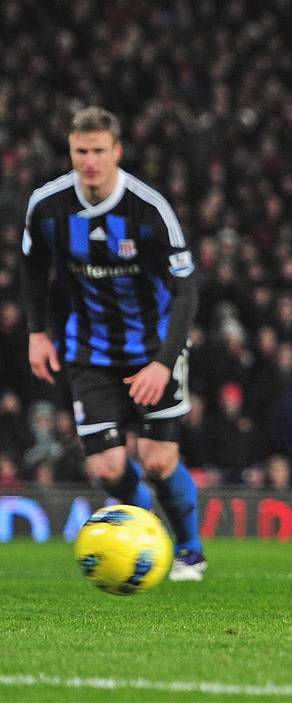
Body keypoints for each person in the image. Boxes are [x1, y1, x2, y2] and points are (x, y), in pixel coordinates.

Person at [21, 106, 207, 580]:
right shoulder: (48, 205)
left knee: (159, 460)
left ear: (117, 152)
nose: (90, 161)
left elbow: (186, 289)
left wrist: (164, 363)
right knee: (107, 467)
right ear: (70, 150)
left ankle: (189, 551)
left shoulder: (148, 209)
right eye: (81, 151)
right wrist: (38, 333)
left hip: (153, 350)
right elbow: (32, 269)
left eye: (99, 151)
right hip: (90, 351)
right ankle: (146, 535)